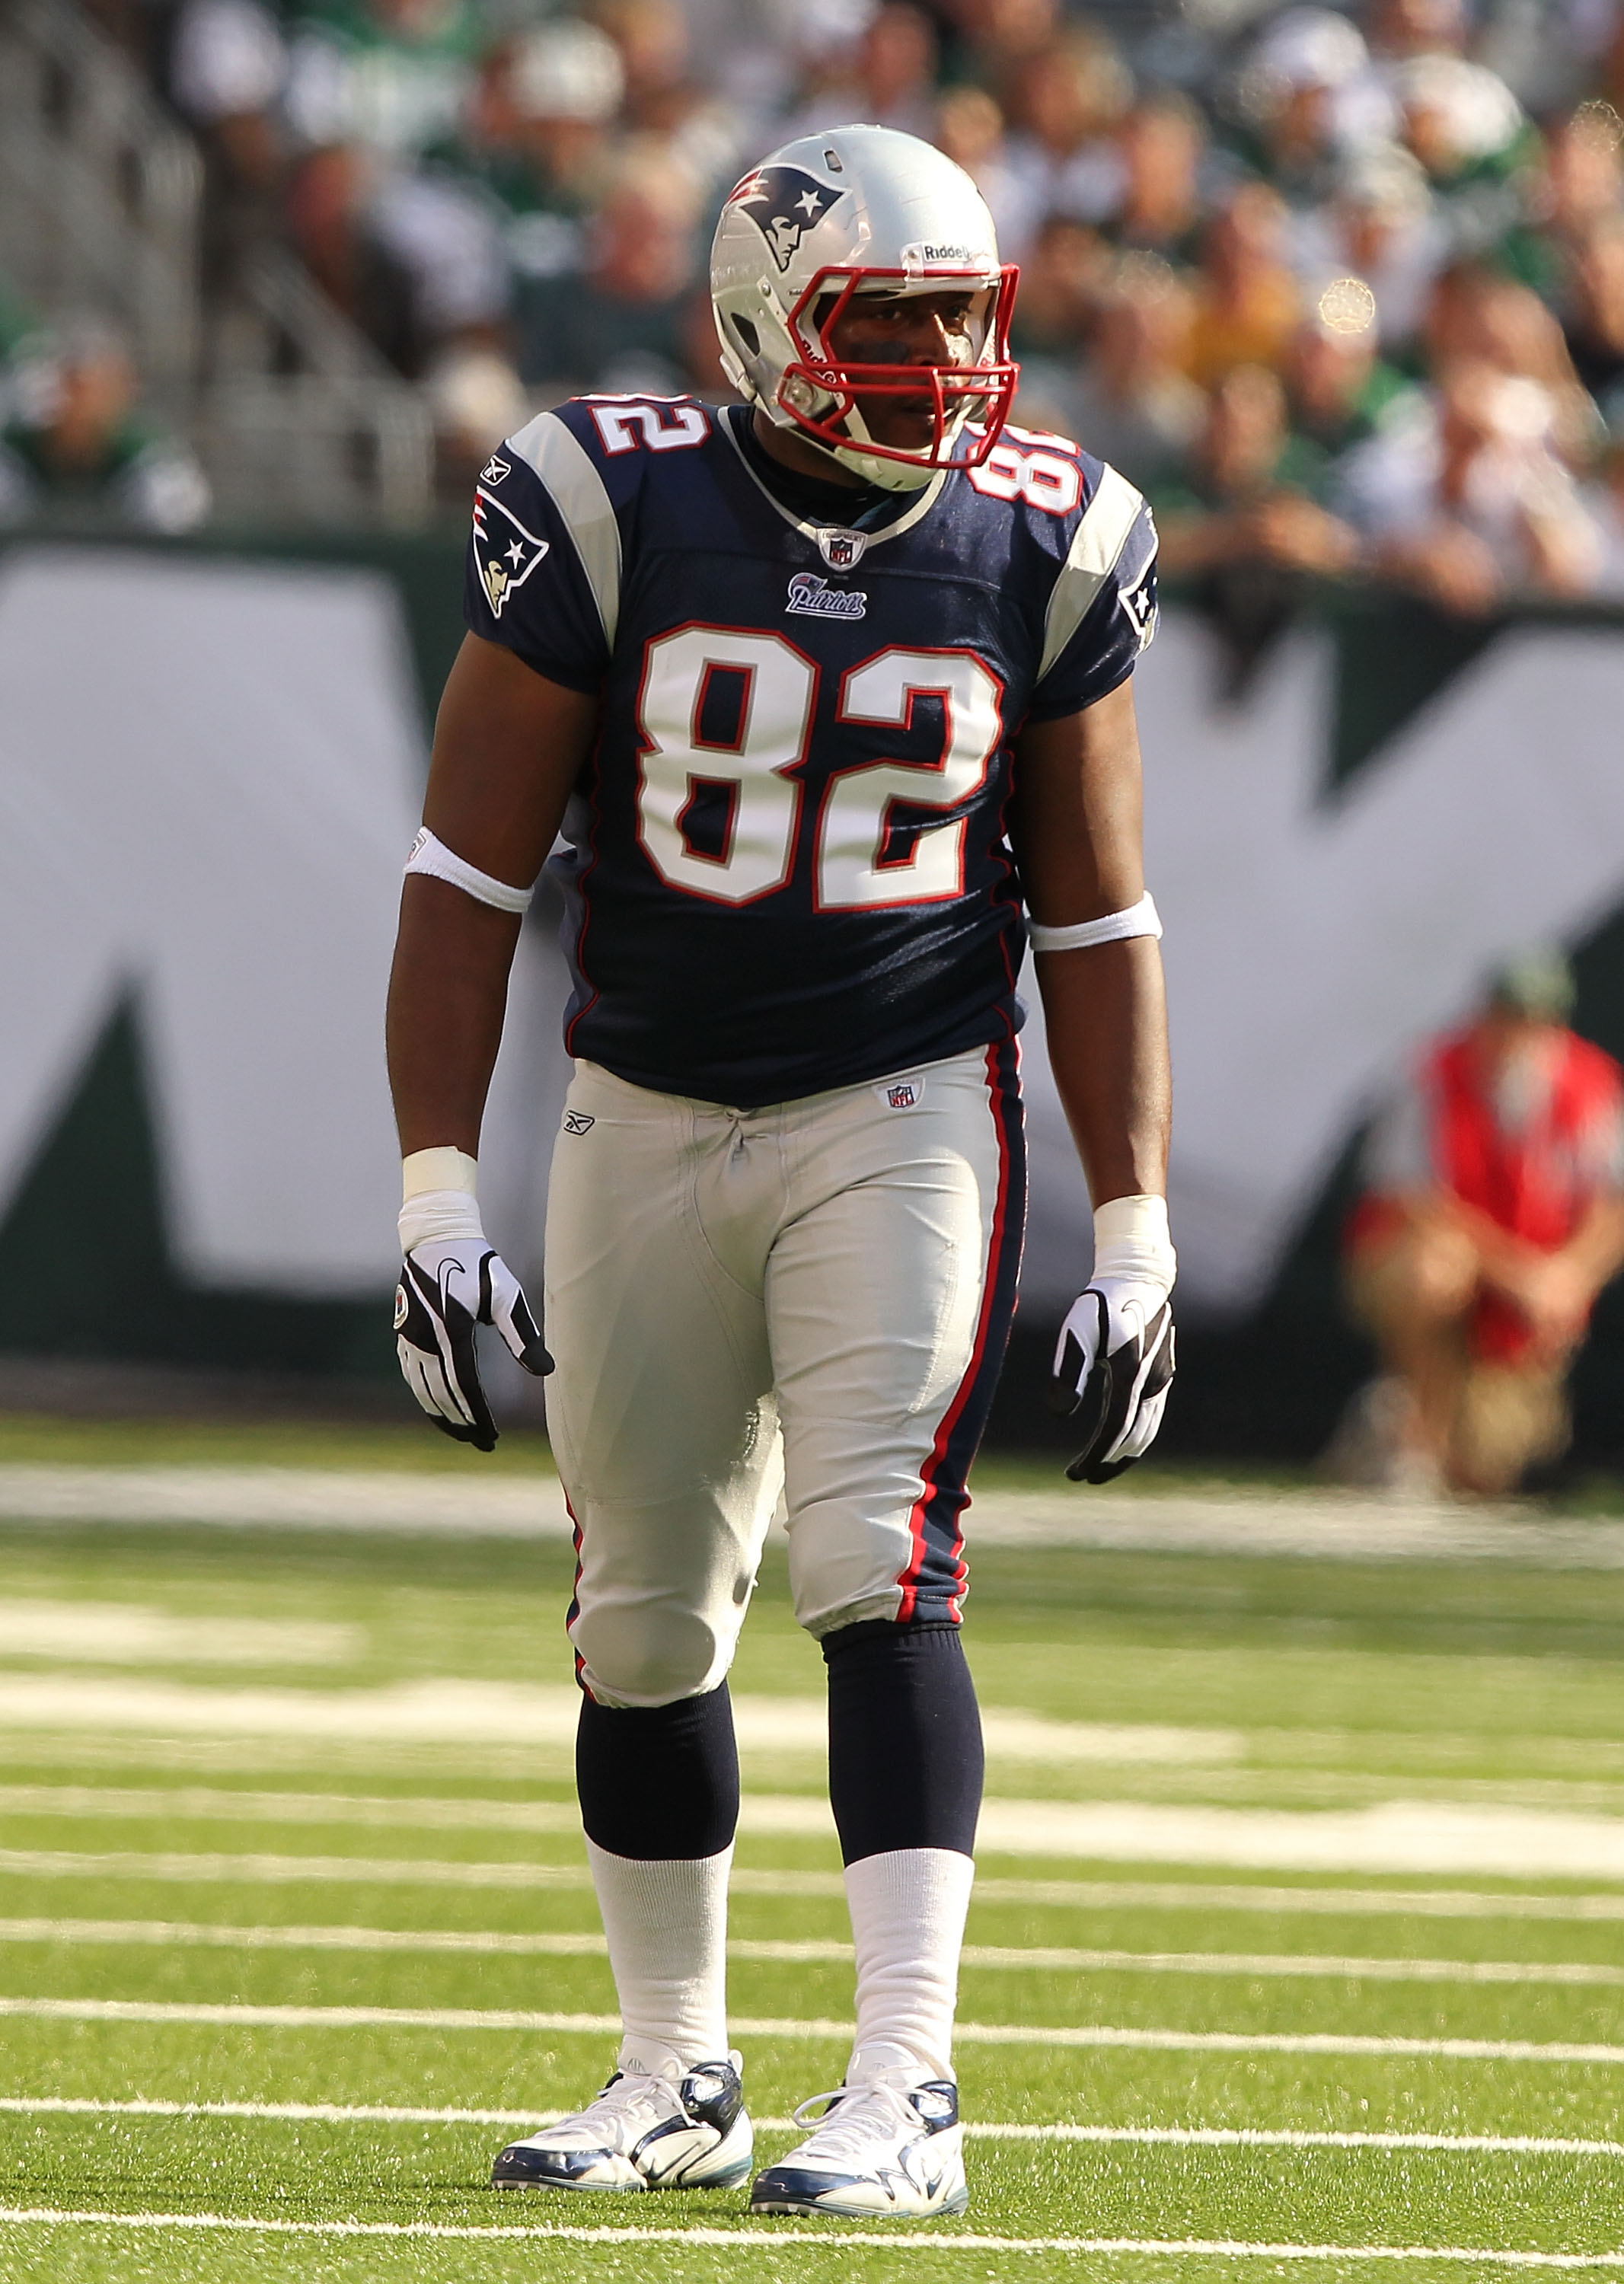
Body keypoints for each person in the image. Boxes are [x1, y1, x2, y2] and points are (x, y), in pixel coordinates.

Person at [384, 124, 1175, 2221]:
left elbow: (1095, 915)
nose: (931, 369)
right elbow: (466, 873)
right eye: (881, 323)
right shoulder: (610, 497)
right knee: (640, 1622)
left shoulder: (1049, 534)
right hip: (635, 1099)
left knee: (873, 1565)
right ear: (756, 322)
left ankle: (903, 2084)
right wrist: (432, 1197)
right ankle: (676, 2076)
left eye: (954, 322)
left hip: (901, 1101)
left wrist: (1134, 1223)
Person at [1341, 952, 1624, 1496]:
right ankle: (1409, 1437)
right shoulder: (1430, 1073)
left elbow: (1612, 1209)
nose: (1518, 1032)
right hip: (1446, 1267)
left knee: (1488, 1467)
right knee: (1429, 1273)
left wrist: (1567, 1280)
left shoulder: (1592, 1087)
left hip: (1523, 1304)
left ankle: (1382, 1424)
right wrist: (1520, 1276)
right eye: (1507, 1014)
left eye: (1533, 1018)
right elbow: (1411, 1201)